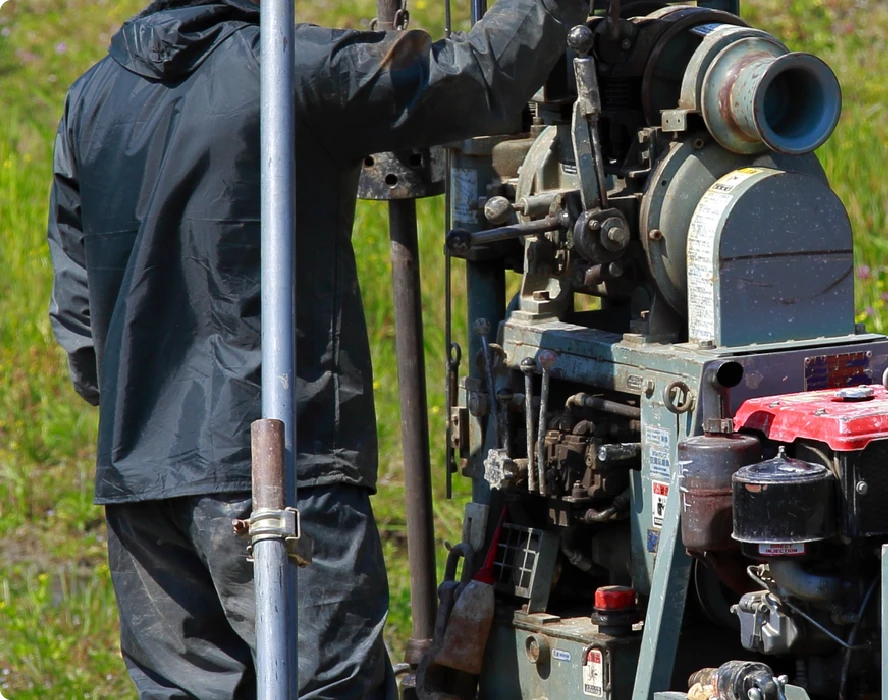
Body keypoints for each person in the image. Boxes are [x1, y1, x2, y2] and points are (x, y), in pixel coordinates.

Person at [44, 0, 588, 694]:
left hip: (141, 486)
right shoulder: (285, 68)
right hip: (276, 467)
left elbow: (79, 318)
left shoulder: (90, 96)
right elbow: (472, 82)